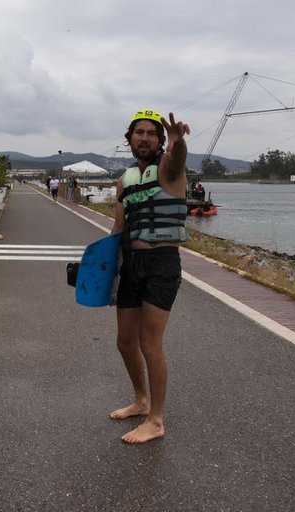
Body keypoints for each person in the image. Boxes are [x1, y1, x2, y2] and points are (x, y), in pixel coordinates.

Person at [109, 109, 190, 444]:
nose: (144, 138)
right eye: (138, 133)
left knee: (149, 343)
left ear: (159, 140)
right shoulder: (124, 181)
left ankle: (156, 420)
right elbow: (118, 226)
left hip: (161, 264)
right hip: (131, 263)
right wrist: (106, 268)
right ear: (129, 140)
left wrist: (177, 142)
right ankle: (141, 401)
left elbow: (178, 157)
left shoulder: (170, 168)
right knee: (125, 342)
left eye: (151, 133)